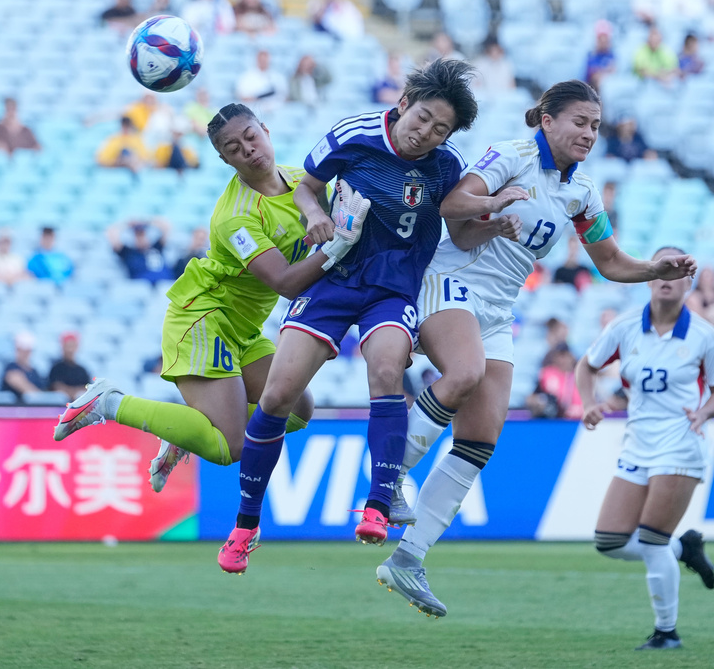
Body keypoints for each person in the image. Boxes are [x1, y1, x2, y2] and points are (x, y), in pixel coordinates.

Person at [377, 79, 698, 619]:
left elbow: (611, 262)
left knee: (481, 437)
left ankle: (408, 558)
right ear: (546, 119)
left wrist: (652, 269)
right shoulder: (513, 155)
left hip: (498, 309)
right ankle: (384, 479)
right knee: (464, 373)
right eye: (579, 122)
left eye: (595, 126)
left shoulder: (583, 193)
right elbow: (453, 204)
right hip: (449, 279)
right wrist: (495, 200)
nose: (589, 134)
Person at [218, 58, 481, 575]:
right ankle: (246, 524)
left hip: (393, 286)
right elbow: (305, 186)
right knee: (277, 395)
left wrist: (494, 217)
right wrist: (316, 215)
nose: (426, 133)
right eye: (422, 117)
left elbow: (460, 224)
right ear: (403, 103)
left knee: (386, 369)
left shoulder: (448, 167)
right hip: (334, 276)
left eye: (440, 128)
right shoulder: (353, 134)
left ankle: (379, 503)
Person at [54, 103, 367, 499]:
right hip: (205, 318)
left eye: (251, 137)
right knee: (229, 446)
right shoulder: (235, 218)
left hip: (242, 328)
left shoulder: (301, 180)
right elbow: (286, 282)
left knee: (298, 408)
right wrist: (340, 244)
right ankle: (108, 402)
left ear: (266, 131)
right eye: (234, 148)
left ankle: (187, 430)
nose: (248, 150)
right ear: (223, 159)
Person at [576, 248, 714, 650]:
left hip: (680, 444)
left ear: (688, 283)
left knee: (652, 540)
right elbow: (586, 366)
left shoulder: (704, 335)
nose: (668, 276)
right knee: (609, 541)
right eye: (661, 268)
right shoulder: (624, 328)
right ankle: (684, 548)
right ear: (649, 277)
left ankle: (667, 632)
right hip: (637, 445)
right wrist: (588, 403)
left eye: (678, 270)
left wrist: (704, 413)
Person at [106, 218, 173, 283]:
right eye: (138, 235)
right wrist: (127, 224)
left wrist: (147, 221)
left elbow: (166, 226)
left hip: (166, 283)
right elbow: (111, 233)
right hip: (141, 286)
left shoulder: (157, 247)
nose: (141, 238)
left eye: (143, 234)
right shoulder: (128, 252)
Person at [525, 343, 581, 419]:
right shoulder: (547, 374)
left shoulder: (580, 376)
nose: (561, 360)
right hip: (552, 419)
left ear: (571, 357)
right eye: (558, 356)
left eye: (564, 356)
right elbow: (531, 397)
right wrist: (539, 402)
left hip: (577, 420)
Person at [235, 49, 288, 114]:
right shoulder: (246, 77)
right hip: (254, 110)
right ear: (257, 60)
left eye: (265, 59)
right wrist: (255, 98)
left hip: (275, 110)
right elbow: (242, 96)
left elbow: (283, 96)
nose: (263, 62)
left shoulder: (277, 77)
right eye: (261, 59)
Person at [0, 331, 47, 402]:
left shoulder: (34, 371)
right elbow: (19, 384)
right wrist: (41, 398)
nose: (25, 354)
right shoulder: (11, 367)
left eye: (27, 351)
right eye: (21, 350)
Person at [48, 332, 92, 402]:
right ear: (62, 347)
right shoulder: (56, 368)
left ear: (77, 347)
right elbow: (55, 386)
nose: (70, 350)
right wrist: (72, 393)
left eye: (72, 346)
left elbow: (88, 388)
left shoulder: (82, 370)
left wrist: (76, 393)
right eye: (67, 346)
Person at [585, 19, 616, 91]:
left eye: (605, 40)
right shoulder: (590, 55)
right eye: (601, 40)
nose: (603, 42)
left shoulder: (612, 55)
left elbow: (614, 71)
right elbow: (592, 75)